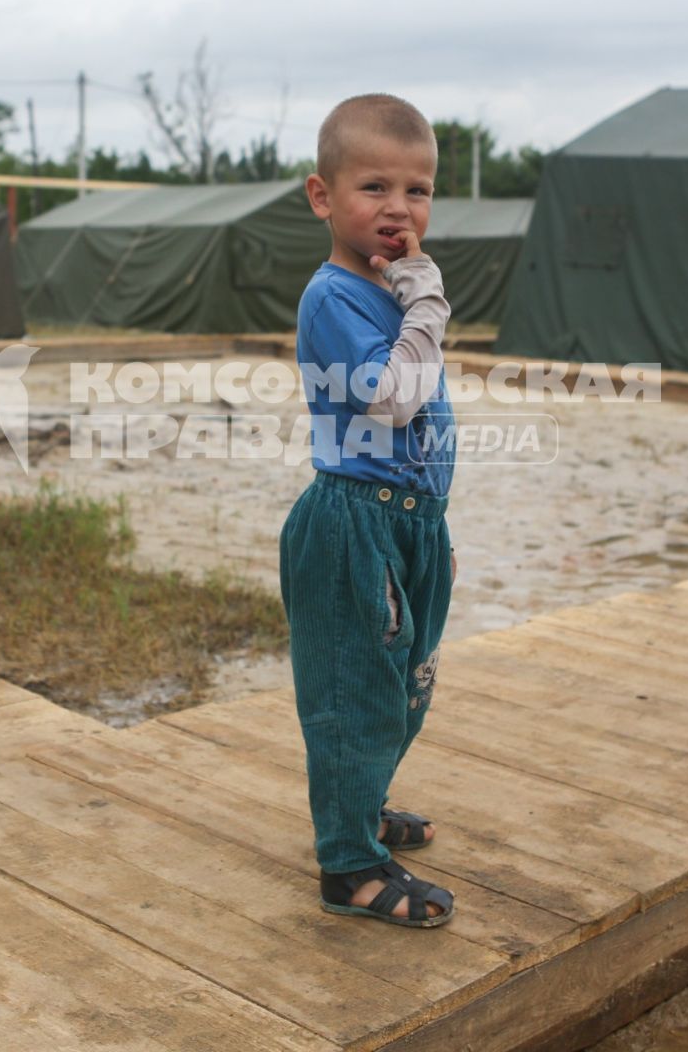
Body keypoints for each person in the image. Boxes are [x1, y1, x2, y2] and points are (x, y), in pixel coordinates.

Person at [281, 93, 459, 928]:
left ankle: (364, 806)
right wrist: (427, 302)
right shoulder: (335, 298)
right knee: (355, 692)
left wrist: (433, 531)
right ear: (323, 197)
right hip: (354, 520)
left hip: (410, 521)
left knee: (404, 684)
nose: (399, 209)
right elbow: (393, 398)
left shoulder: (394, 290)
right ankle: (347, 865)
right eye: (374, 188)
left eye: (417, 191)